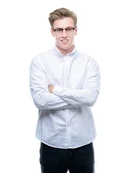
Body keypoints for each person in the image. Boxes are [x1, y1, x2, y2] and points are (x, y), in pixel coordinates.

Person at [29, 7, 100, 173]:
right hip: (51, 143)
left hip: (82, 144)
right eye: (59, 29)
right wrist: (77, 96)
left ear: (75, 30)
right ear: (52, 32)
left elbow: (90, 98)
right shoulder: (39, 62)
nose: (64, 34)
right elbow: (40, 100)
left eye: (68, 29)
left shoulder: (89, 63)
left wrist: (56, 90)